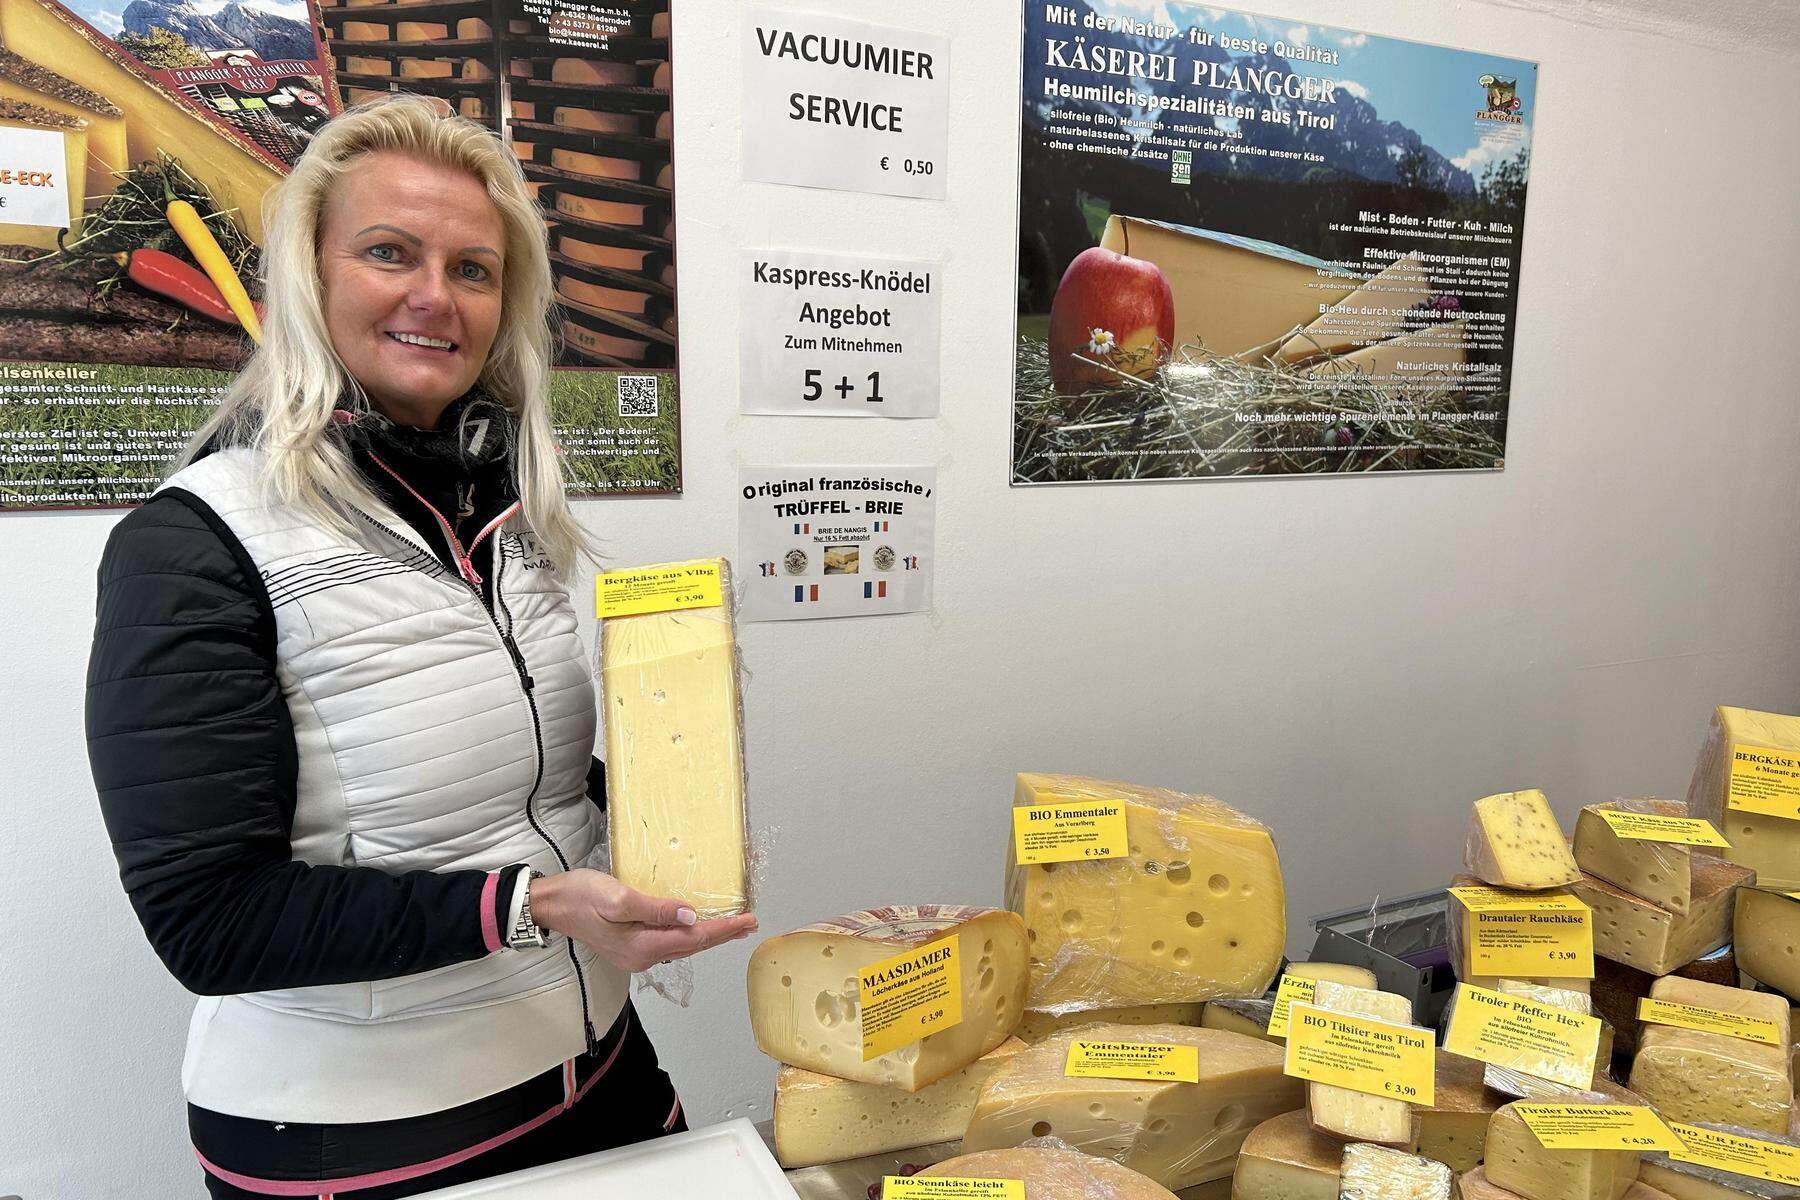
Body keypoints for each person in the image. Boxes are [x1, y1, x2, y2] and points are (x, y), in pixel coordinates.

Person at [84, 95, 755, 1199]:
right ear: (310, 273)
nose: (435, 296)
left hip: (596, 1069)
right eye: (389, 253)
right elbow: (209, 919)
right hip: (362, 1138)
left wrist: (668, 818)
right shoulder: (191, 544)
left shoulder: (502, 513)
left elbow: (522, 784)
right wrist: (532, 905)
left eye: (475, 269)